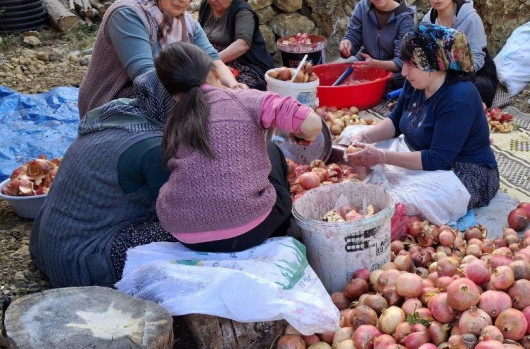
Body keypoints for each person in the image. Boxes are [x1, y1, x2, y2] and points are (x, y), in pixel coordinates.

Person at [154, 42, 323, 253]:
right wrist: (299, 133)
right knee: (272, 150)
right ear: (216, 73)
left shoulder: (174, 120)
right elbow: (313, 124)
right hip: (248, 229)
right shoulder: (245, 99)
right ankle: (283, 229)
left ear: (174, 95)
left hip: (186, 233)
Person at [31, 72, 177, 287]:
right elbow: (176, 214)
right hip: (80, 263)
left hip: (50, 248)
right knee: (190, 232)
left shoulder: (120, 112)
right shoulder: (153, 146)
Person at [347, 24, 499, 213]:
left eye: (412, 64)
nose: (403, 72)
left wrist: (381, 157)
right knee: (350, 135)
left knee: (401, 201)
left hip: (462, 172)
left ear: (434, 64)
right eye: (405, 63)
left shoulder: (459, 97)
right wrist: (365, 137)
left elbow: (437, 159)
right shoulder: (416, 83)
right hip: (420, 152)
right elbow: (395, 121)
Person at [78, 0, 245, 117]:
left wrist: (231, 85)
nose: (181, 0)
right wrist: (209, 96)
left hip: (164, 93)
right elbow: (145, 77)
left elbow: (213, 59)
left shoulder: (188, 24)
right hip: (112, 101)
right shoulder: (127, 14)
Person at [421, 0, 498, 108]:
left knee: (473, 88)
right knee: (409, 81)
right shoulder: (427, 21)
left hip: (475, 72)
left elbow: (478, 59)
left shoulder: (471, 18)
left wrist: (451, 77)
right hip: (441, 72)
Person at [198, 0, 274, 90]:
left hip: (245, 65)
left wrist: (212, 62)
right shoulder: (206, 6)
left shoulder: (243, 11)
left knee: (232, 90)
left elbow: (242, 45)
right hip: (214, 60)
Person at [338, 0, 415, 90]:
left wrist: (375, 64)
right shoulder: (362, 7)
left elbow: (401, 61)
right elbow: (352, 36)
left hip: (391, 70)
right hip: (366, 63)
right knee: (341, 70)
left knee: (400, 80)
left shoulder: (405, 17)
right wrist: (347, 44)